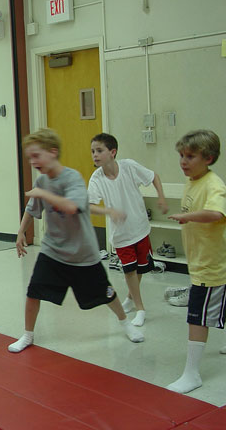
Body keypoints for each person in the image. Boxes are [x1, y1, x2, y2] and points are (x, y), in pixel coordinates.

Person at [8, 128, 144, 354]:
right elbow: (32, 209)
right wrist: (21, 232)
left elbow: (71, 207)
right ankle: (28, 335)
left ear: (53, 152)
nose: (33, 162)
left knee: (106, 293)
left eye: (36, 156)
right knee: (34, 292)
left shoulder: (72, 178)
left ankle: (125, 323)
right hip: (53, 251)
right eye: (30, 157)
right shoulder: (42, 181)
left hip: (83, 253)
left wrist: (42, 194)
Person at [165, 130, 226, 394]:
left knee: (197, 316)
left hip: (214, 264)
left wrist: (188, 217)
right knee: (216, 306)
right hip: (200, 261)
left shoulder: (213, 184)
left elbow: (216, 213)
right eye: (181, 155)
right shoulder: (193, 180)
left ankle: (192, 374)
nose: (183, 161)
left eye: (190, 156)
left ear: (209, 158)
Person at [88, 133, 168, 327]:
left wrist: (161, 197)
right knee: (129, 271)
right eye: (92, 151)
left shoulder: (129, 166)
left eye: (99, 150)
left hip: (140, 228)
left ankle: (131, 299)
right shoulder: (97, 178)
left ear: (112, 152)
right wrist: (109, 211)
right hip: (121, 234)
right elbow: (88, 205)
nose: (95, 155)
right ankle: (141, 308)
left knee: (140, 269)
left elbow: (154, 176)